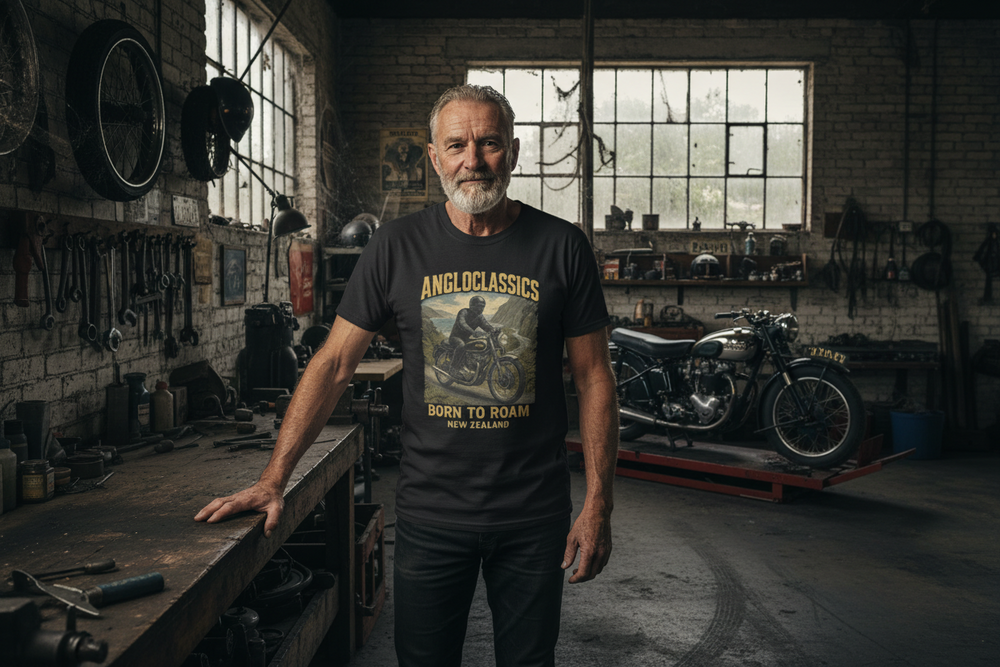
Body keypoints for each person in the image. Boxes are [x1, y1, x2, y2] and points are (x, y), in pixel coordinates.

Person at [195, 83, 619, 667]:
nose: (473, 160)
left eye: (490, 143)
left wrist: (599, 503)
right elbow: (334, 363)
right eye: (457, 145)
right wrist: (274, 480)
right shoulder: (395, 247)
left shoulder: (562, 246)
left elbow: (594, 378)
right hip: (431, 514)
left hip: (533, 513)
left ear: (514, 152)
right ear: (435, 157)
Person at [447, 295, 497, 378]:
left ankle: (471, 368)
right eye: (479, 306)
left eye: (483, 307)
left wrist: (493, 329)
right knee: (461, 345)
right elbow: (462, 323)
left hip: (467, 339)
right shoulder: (463, 312)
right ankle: (453, 369)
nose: (481, 309)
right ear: (472, 305)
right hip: (455, 337)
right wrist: (473, 332)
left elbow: (485, 325)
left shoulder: (479, 317)